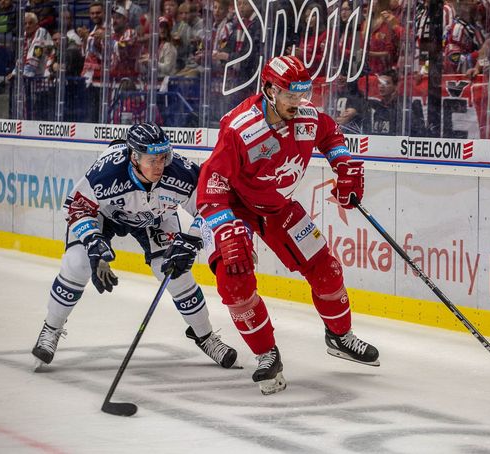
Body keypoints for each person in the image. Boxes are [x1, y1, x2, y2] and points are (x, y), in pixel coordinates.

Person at [196, 56, 380, 396]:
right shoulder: (240, 129)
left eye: (303, 94)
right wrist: (223, 226)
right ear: (268, 90)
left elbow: (330, 133)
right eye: (289, 96)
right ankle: (267, 355)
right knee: (234, 280)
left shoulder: (307, 116)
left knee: (326, 270)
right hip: (235, 207)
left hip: (277, 207)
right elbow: (211, 185)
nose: (298, 103)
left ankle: (340, 336)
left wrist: (342, 163)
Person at [32, 123, 238, 371]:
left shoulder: (182, 172)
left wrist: (192, 239)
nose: (159, 166)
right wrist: (93, 241)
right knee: (78, 263)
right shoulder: (106, 172)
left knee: (174, 272)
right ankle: (51, 328)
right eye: (152, 160)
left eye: (163, 158)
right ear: (133, 157)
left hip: (156, 217)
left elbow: (211, 206)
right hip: (106, 216)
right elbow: (76, 207)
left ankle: (205, 336)